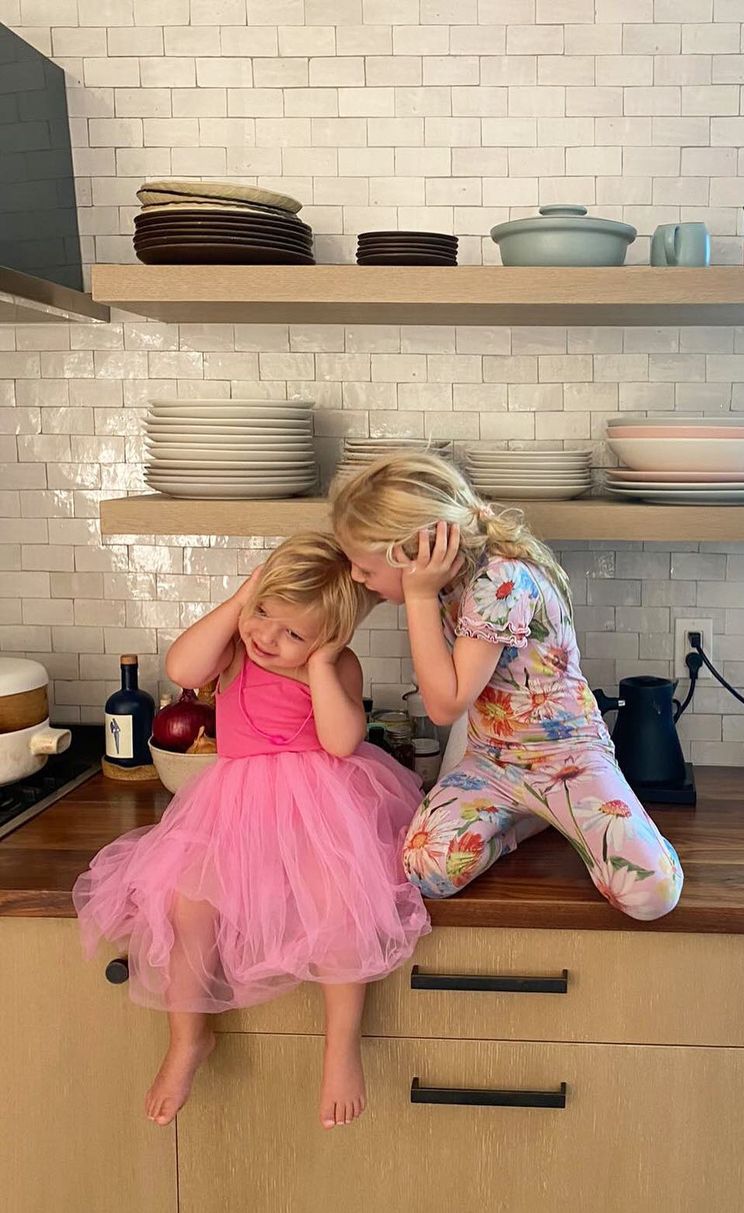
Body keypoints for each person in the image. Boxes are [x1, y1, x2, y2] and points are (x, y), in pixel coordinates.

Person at [73, 533, 429, 1130]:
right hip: (232, 809)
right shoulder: (237, 649)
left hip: (319, 810)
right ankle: (188, 1038)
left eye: (293, 634)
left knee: (338, 904)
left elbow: (342, 741)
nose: (267, 636)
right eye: (264, 612)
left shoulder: (336, 664)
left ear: (330, 638)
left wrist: (320, 664)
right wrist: (241, 603)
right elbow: (182, 668)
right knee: (188, 904)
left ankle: (341, 1050)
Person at [332, 452, 683, 921]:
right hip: (492, 761)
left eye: (363, 567)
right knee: (426, 868)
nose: (356, 576)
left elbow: (444, 706)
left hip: (568, 759)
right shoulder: (445, 577)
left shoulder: (500, 581)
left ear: (415, 553)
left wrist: (417, 594)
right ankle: (537, 816)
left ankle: (589, 820)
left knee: (650, 894)